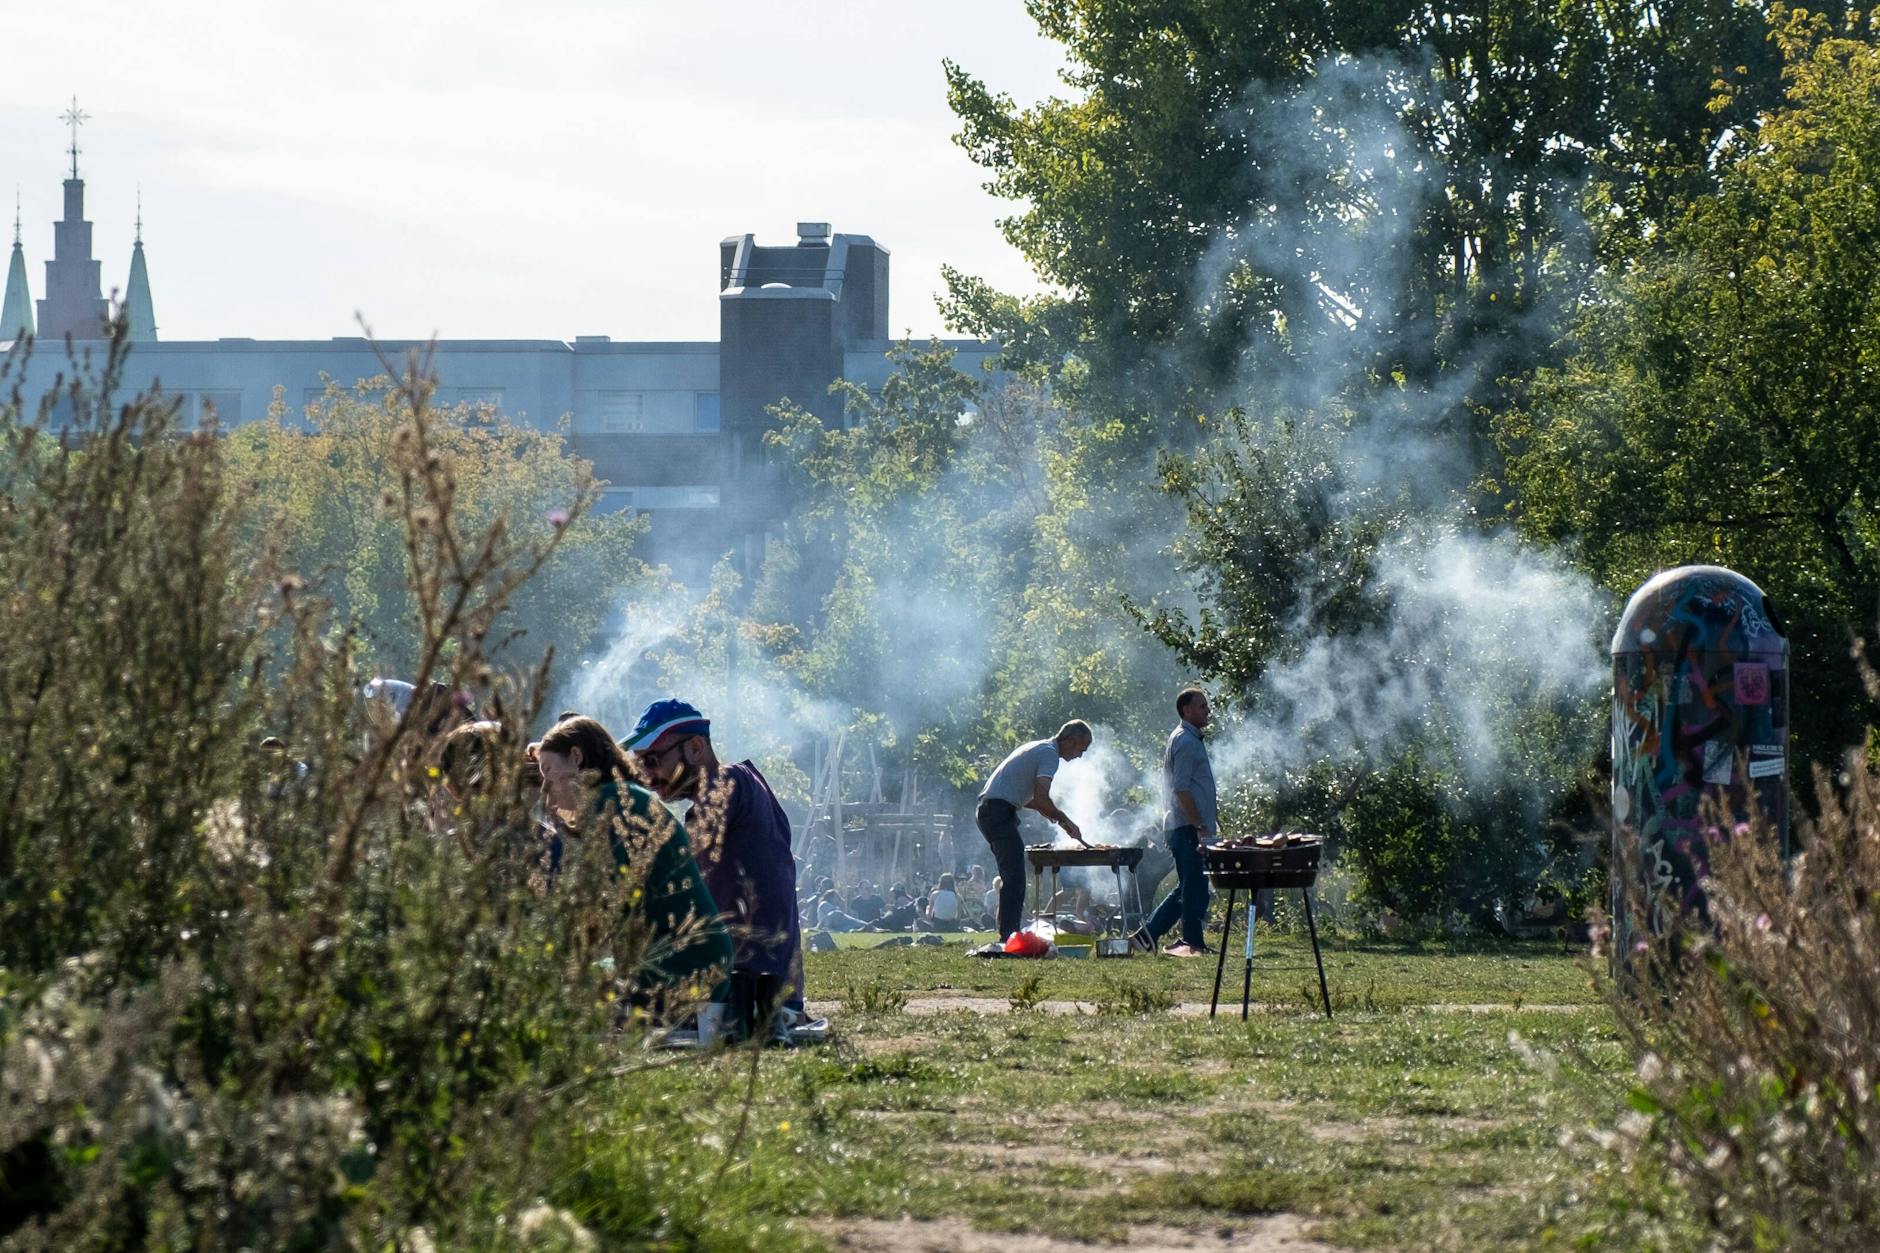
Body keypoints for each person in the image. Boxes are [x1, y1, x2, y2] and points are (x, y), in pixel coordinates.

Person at [624, 699, 803, 1027]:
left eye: (652, 760)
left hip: (745, 998)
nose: (647, 776)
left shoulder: (726, 785)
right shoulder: (746, 783)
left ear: (694, 747)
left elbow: (669, 875)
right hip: (762, 992)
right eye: (639, 765)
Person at [534, 715, 732, 1005]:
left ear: (576, 757)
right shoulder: (623, 797)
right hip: (698, 962)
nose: (545, 789)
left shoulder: (609, 804)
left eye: (548, 772)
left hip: (684, 968)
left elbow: (607, 907)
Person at [974, 720, 1092, 940]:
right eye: (1080, 749)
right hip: (997, 812)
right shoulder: (1049, 754)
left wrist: (1060, 821)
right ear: (1070, 740)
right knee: (1015, 878)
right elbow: (1041, 798)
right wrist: (1065, 819)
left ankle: (1009, 934)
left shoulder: (1039, 747)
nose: (1080, 755)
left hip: (994, 810)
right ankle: (1009, 937)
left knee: (1014, 876)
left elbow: (1028, 799)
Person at [1132, 687, 1217, 957]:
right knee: (1194, 888)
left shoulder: (1189, 739)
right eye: (1202, 706)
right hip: (1187, 827)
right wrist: (1199, 825)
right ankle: (1191, 942)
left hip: (1189, 826)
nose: (1207, 711)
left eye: (1206, 706)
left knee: (1190, 886)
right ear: (1186, 710)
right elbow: (1181, 789)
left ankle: (1148, 936)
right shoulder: (1185, 741)